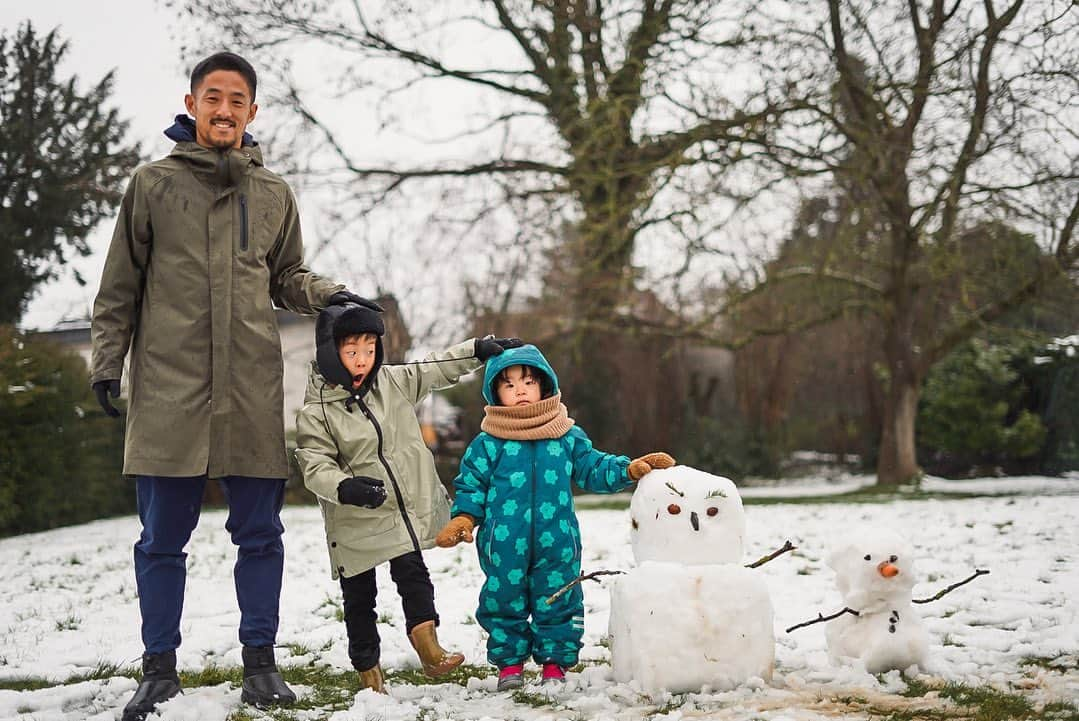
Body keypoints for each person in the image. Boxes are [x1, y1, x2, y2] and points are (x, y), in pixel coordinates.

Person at [89, 52, 380, 720]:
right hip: (169, 388)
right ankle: (158, 669)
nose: (224, 110)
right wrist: (106, 362)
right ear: (191, 104)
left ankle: (262, 664)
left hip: (251, 385)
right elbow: (118, 288)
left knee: (261, 532)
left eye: (237, 100)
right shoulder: (151, 185)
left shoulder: (274, 192)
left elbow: (286, 276)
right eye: (212, 97)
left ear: (252, 112)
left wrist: (333, 294)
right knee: (161, 538)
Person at [294, 301, 522, 693]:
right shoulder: (317, 413)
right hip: (354, 516)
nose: (363, 359)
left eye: (369, 349)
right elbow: (314, 464)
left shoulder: (392, 382)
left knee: (415, 578)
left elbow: (434, 367)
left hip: (396, 511)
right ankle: (369, 672)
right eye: (352, 352)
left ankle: (430, 651)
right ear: (331, 354)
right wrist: (343, 487)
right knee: (359, 598)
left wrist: (478, 350)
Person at [435, 344, 675, 690]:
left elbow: (593, 467)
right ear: (495, 392)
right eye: (509, 384)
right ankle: (510, 665)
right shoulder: (487, 444)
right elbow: (471, 486)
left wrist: (628, 469)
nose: (520, 390)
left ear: (544, 386)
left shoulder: (565, 435)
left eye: (529, 382)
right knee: (504, 599)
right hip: (503, 543)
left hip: (557, 540)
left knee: (558, 598)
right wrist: (464, 519)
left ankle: (554, 664)